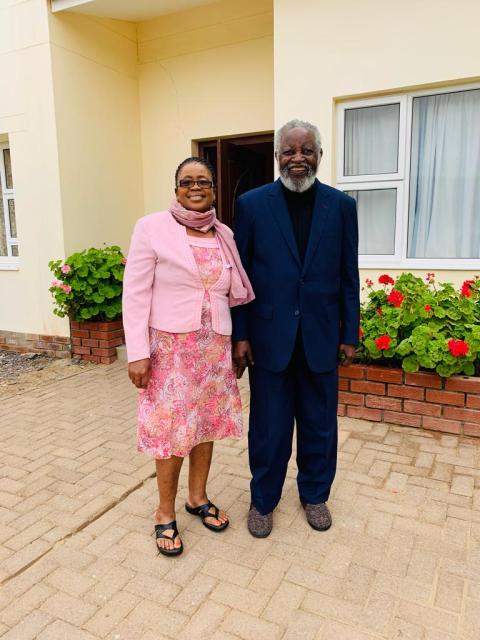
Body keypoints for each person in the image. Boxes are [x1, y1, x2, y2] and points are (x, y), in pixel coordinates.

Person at [232, 119, 359, 537]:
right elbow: (241, 278)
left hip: (321, 337)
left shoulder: (341, 207)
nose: (298, 159)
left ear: (319, 156)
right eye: (290, 151)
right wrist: (241, 334)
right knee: (269, 425)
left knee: (320, 423)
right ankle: (263, 500)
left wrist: (350, 333)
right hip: (270, 339)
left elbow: (347, 275)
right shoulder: (252, 205)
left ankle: (315, 495)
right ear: (277, 156)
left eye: (307, 151)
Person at [123, 157, 254, 556]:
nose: (195, 188)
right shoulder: (151, 228)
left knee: (205, 424)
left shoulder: (223, 234)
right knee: (171, 431)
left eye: (204, 182)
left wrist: (235, 343)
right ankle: (164, 512)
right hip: (169, 350)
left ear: (214, 189)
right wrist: (137, 352)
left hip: (213, 347)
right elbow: (135, 293)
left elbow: (230, 293)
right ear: (176, 187)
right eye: (187, 181)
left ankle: (197, 498)